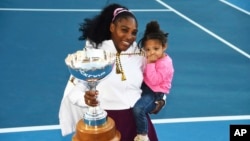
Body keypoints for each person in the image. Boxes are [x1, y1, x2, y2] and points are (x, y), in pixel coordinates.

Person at [59, 3, 165, 141]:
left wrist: (161, 100)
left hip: (138, 125)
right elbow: (74, 90)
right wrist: (86, 99)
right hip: (106, 125)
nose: (129, 37)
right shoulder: (93, 55)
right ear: (112, 27)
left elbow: (156, 79)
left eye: (133, 32)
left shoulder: (140, 54)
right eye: (124, 30)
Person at [133, 21, 174, 141]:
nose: (151, 52)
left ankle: (143, 134)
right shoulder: (149, 56)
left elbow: (154, 80)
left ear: (164, 47)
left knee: (138, 108)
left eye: (156, 48)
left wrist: (150, 63)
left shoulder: (166, 63)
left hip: (155, 92)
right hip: (145, 86)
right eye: (148, 49)